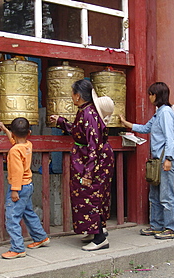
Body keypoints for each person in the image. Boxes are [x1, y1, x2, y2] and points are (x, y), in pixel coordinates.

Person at [49, 79, 115, 251]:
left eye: (72, 93)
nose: (71, 96)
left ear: (77, 96)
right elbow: (79, 132)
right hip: (90, 159)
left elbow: (93, 145)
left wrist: (88, 174)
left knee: (91, 194)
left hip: (91, 161)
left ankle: (100, 237)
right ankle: (95, 230)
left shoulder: (88, 114)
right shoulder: (86, 111)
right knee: (94, 195)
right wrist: (61, 121)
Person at [120, 82, 174, 240]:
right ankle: (156, 225)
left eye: (151, 94)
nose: (149, 97)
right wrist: (128, 124)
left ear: (157, 95)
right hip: (157, 161)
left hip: (165, 159)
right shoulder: (158, 112)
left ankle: (171, 228)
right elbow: (146, 128)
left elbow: (170, 138)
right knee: (155, 195)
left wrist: (168, 158)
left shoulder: (166, 112)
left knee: (167, 196)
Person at [0, 117, 50, 259]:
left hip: (19, 187)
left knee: (12, 217)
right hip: (28, 185)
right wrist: (6, 130)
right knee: (28, 212)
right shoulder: (28, 145)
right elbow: (15, 141)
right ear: (29, 132)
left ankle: (17, 248)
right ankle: (40, 237)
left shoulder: (14, 151)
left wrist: (14, 190)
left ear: (14, 133)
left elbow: (17, 171)